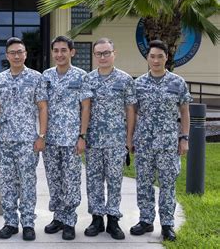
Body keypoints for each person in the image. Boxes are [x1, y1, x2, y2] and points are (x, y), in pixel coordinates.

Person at [130, 40, 192, 242]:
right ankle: (146, 220)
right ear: (147, 58)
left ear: (167, 58)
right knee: (144, 183)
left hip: (168, 144)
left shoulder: (178, 83)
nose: (156, 60)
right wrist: (130, 139)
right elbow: (133, 113)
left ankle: (167, 224)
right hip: (145, 143)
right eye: (152, 56)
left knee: (167, 185)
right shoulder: (138, 84)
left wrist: (184, 138)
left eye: (160, 56)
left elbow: (184, 111)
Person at [0, 37, 48, 241]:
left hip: (27, 141)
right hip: (5, 141)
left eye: (20, 52)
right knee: (7, 184)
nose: (16, 55)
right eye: (12, 52)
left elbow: (42, 107)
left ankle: (28, 223)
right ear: (7, 56)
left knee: (27, 183)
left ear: (25, 54)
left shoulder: (36, 78)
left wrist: (41, 136)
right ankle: (10, 222)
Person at [84, 37, 136, 240]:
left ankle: (113, 219)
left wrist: (129, 138)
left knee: (115, 181)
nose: (103, 57)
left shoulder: (124, 80)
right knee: (94, 181)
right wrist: (83, 134)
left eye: (107, 53)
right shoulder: (88, 79)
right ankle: (97, 219)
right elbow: (85, 108)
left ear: (114, 54)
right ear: (94, 55)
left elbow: (131, 110)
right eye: (99, 53)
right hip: (94, 140)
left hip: (116, 140)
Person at [41, 36, 92, 240]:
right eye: (56, 50)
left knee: (71, 181)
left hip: (71, 138)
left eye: (64, 50)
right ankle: (58, 217)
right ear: (52, 53)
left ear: (72, 52)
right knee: (54, 180)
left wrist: (82, 136)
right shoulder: (46, 76)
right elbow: (41, 105)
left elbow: (86, 107)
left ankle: (70, 220)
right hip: (51, 139)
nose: (60, 54)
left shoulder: (81, 76)